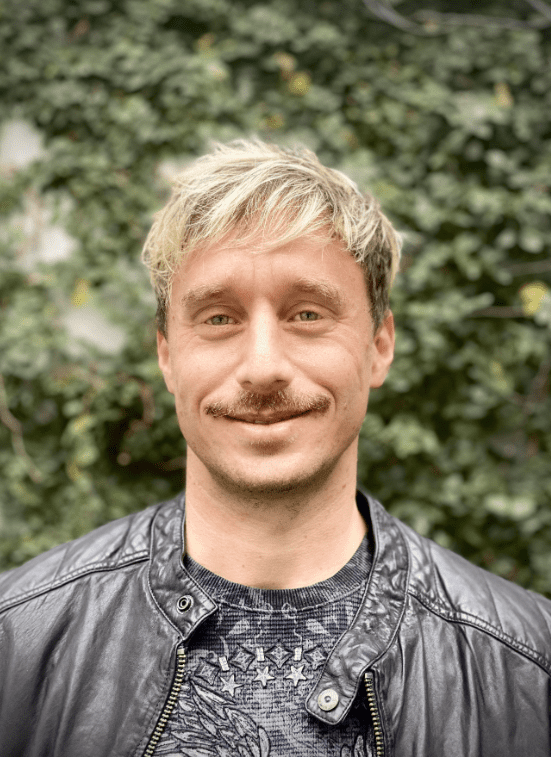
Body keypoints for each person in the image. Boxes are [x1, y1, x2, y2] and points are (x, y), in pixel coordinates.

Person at [1, 139, 550, 757]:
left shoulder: (528, 666)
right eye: (218, 318)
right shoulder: (16, 641)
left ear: (379, 346)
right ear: (166, 355)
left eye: (307, 314)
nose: (262, 368)